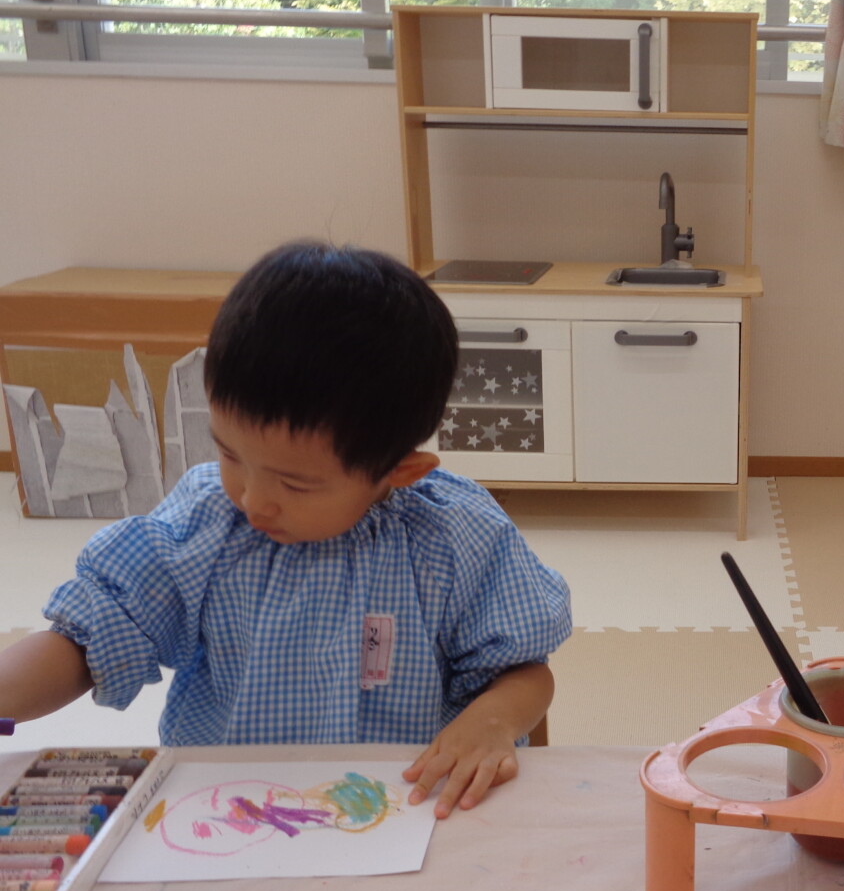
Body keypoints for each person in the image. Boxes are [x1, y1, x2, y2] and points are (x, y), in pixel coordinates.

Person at [0, 242, 571, 818]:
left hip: (404, 809)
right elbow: (89, 637)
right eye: (229, 455)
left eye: (295, 485)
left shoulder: (454, 535)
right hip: (229, 810)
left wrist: (493, 721)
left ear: (399, 471)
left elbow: (524, 671)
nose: (253, 501)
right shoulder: (206, 520)